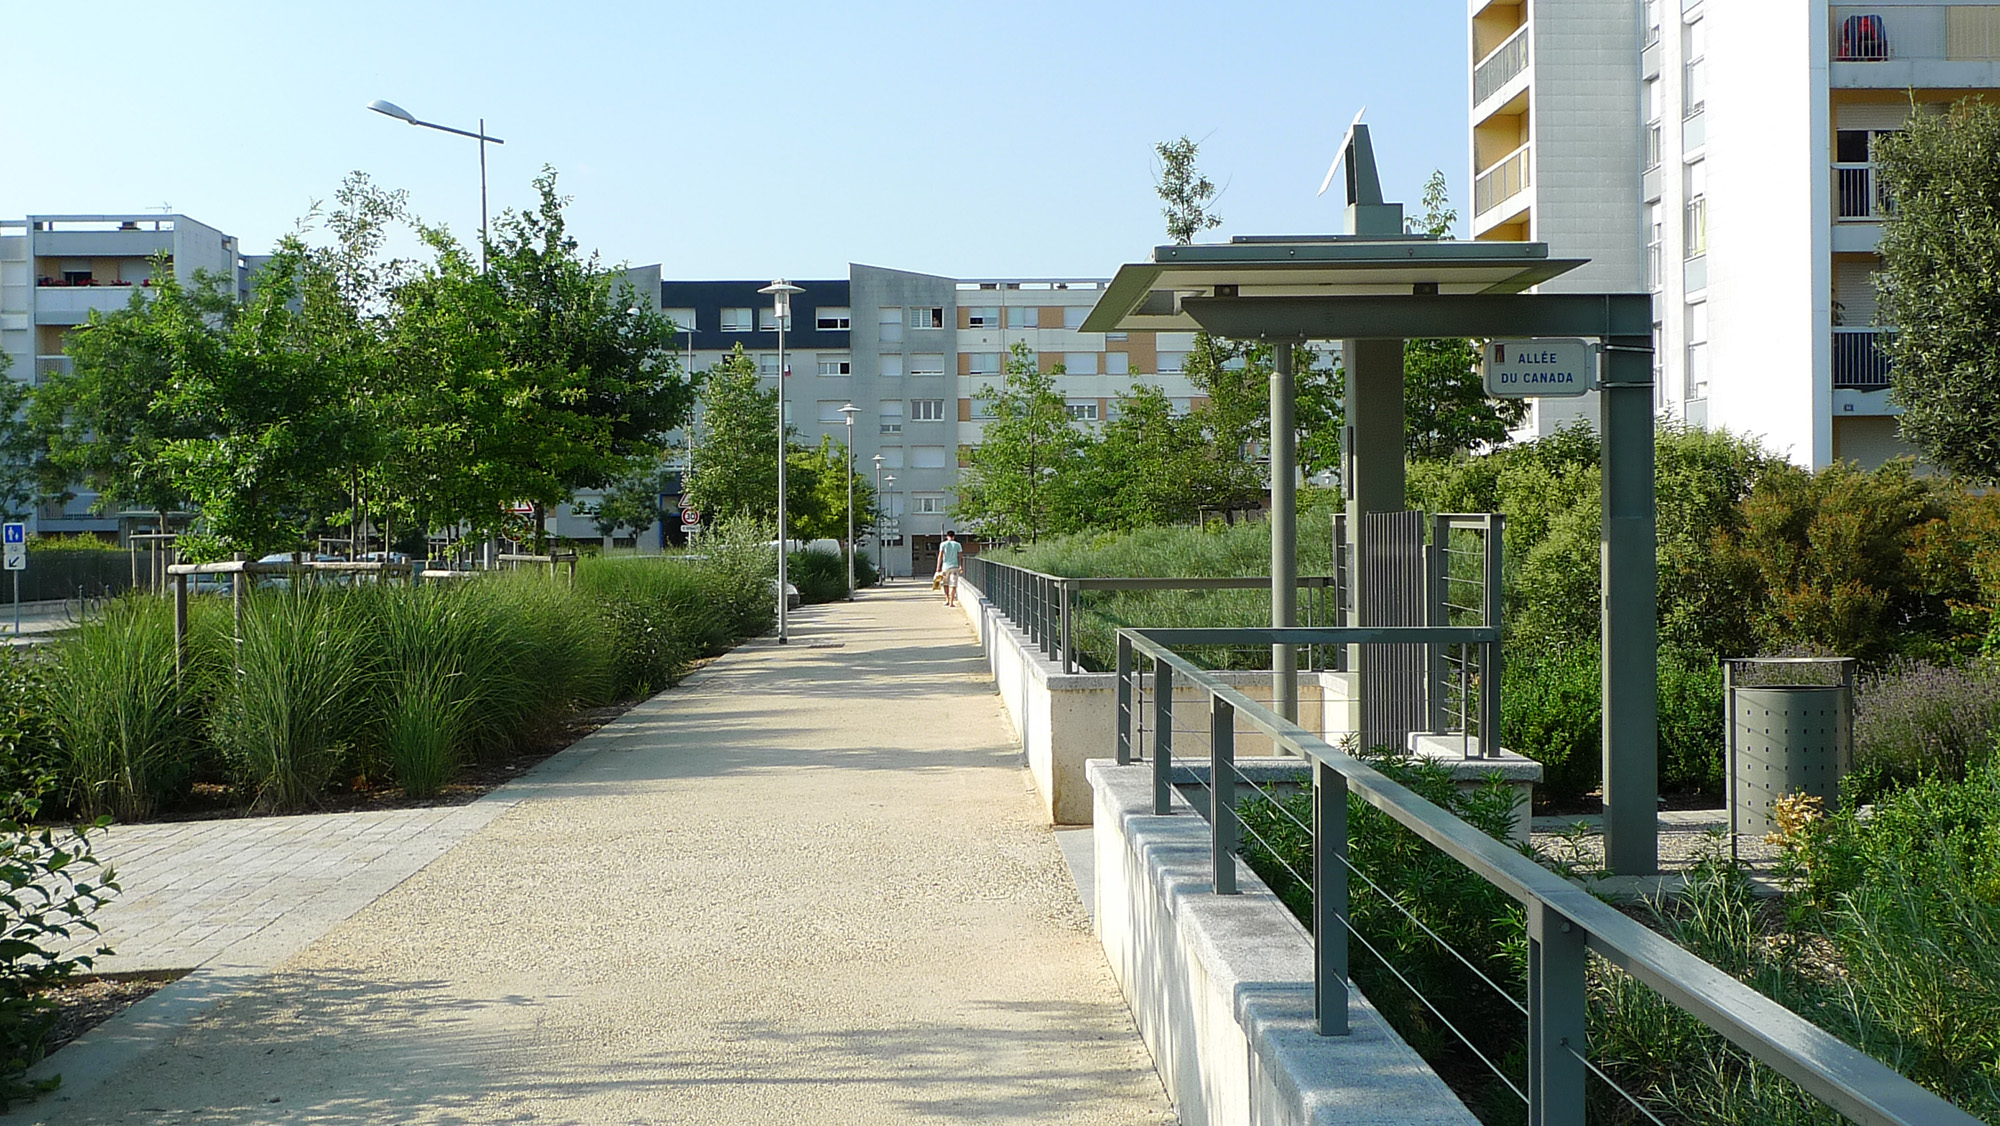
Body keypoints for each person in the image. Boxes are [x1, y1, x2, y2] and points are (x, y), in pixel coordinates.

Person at [935, 530, 964, 607]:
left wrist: (938, 567)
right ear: (954, 536)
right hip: (954, 566)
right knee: (953, 584)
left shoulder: (943, 544)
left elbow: (940, 556)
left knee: (946, 584)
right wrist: (961, 565)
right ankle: (951, 602)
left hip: (945, 567)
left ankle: (947, 599)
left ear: (947, 536)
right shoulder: (958, 545)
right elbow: (960, 556)